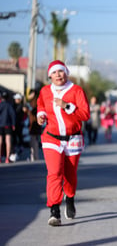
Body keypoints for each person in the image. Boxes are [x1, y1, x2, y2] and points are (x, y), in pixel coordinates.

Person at [37, 60, 90, 226]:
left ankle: (70, 198)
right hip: (51, 138)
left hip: (73, 138)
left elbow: (85, 114)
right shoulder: (45, 91)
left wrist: (67, 105)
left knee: (70, 175)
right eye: (54, 72)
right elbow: (41, 105)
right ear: (50, 75)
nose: (58, 75)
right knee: (54, 173)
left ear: (66, 73)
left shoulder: (76, 90)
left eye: (61, 71)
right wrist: (41, 115)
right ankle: (54, 211)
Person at [0, 91, 16, 163]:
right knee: (8, 141)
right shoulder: (9, 105)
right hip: (8, 124)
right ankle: (7, 158)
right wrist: (13, 124)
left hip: (0, 124)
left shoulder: (0, 105)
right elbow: (13, 115)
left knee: (0, 141)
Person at [27, 90, 42, 161]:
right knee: (34, 140)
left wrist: (28, 111)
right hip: (34, 123)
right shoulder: (34, 100)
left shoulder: (34, 101)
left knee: (34, 140)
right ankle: (34, 155)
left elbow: (33, 111)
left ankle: (34, 156)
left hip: (34, 123)